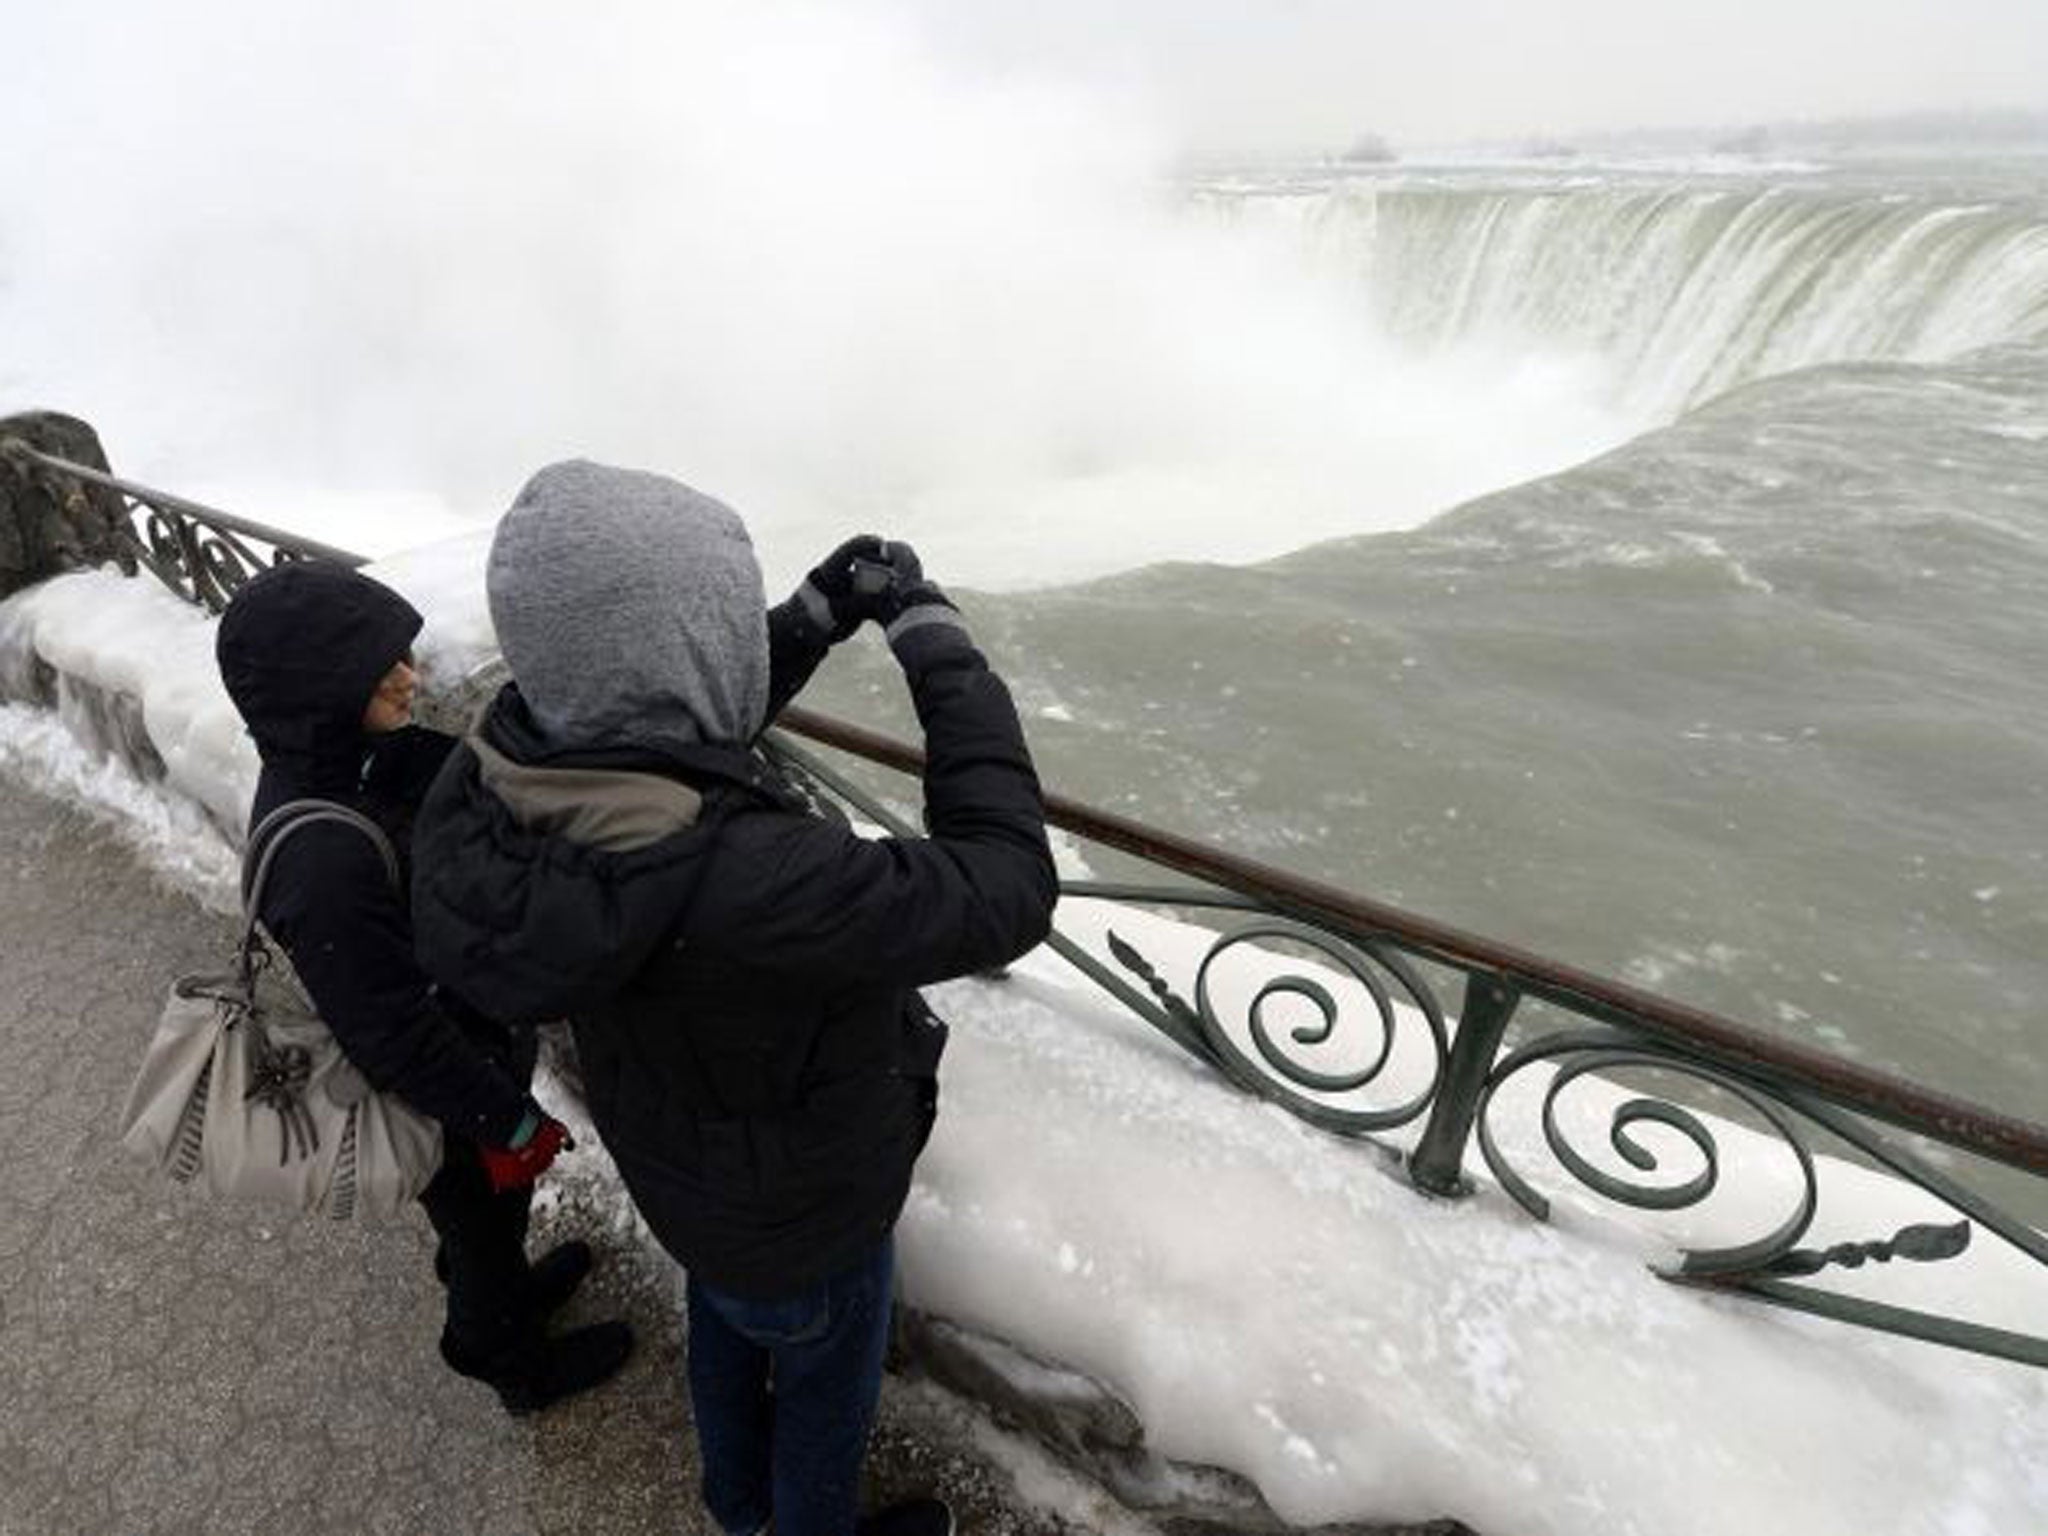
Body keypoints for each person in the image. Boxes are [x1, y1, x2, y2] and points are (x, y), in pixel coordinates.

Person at [409, 461, 1058, 1536]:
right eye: (723, 625)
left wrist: (812, 615)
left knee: (723, 1323)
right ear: (684, 652)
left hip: (683, 1172)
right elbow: (1003, 885)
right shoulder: (753, 878)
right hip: (807, 1209)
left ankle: (733, 1502)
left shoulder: (498, 769)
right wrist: (933, 641)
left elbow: (660, 732)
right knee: (823, 1392)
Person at [214, 560, 633, 1415]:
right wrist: (508, 1122)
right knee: (480, 1224)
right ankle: (501, 1355)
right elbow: (389, 1031)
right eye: (381, 671)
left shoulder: (353, 759)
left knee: (487, 1223)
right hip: (443, 1094)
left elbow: (469, 775)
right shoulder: (319, 856)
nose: (411, 677)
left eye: (402, 655)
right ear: (317, 694)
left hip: (469, 1050)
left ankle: (502, 1282)